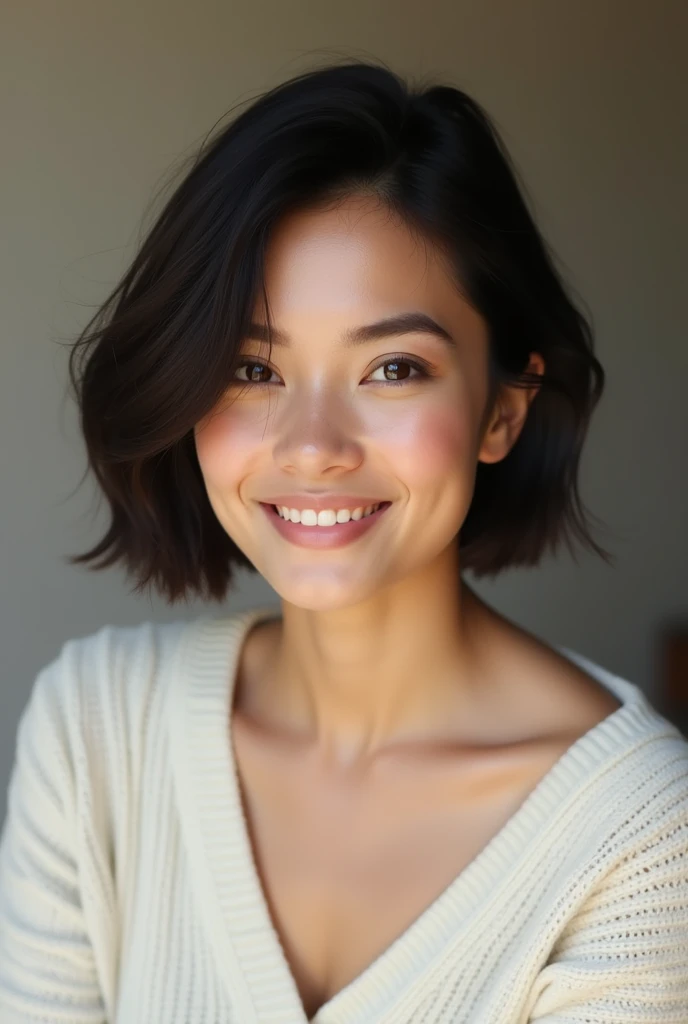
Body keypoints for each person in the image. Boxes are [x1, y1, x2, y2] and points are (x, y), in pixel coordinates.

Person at [1, 58, 687, 1024]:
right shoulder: (95, 734)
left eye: (393, 367)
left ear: (501, 410)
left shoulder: (641, 840)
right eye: (252, 367)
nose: (314, 446)